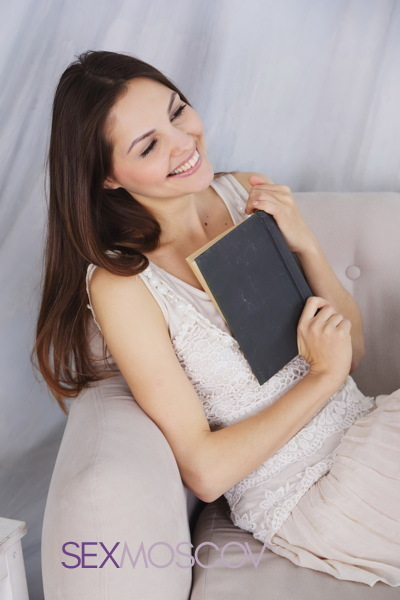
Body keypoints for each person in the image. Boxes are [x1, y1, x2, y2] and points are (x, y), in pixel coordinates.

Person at [33, 50, 400, 588]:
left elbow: (354, 349)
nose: (183, 142)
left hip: (368, 429)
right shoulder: (124, 284)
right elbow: (205, 473)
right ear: (107, 177)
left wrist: (304, 243)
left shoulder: (244, 193)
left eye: (177, 111)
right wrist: (322, 378)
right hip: (311, 490)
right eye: (148, 145)